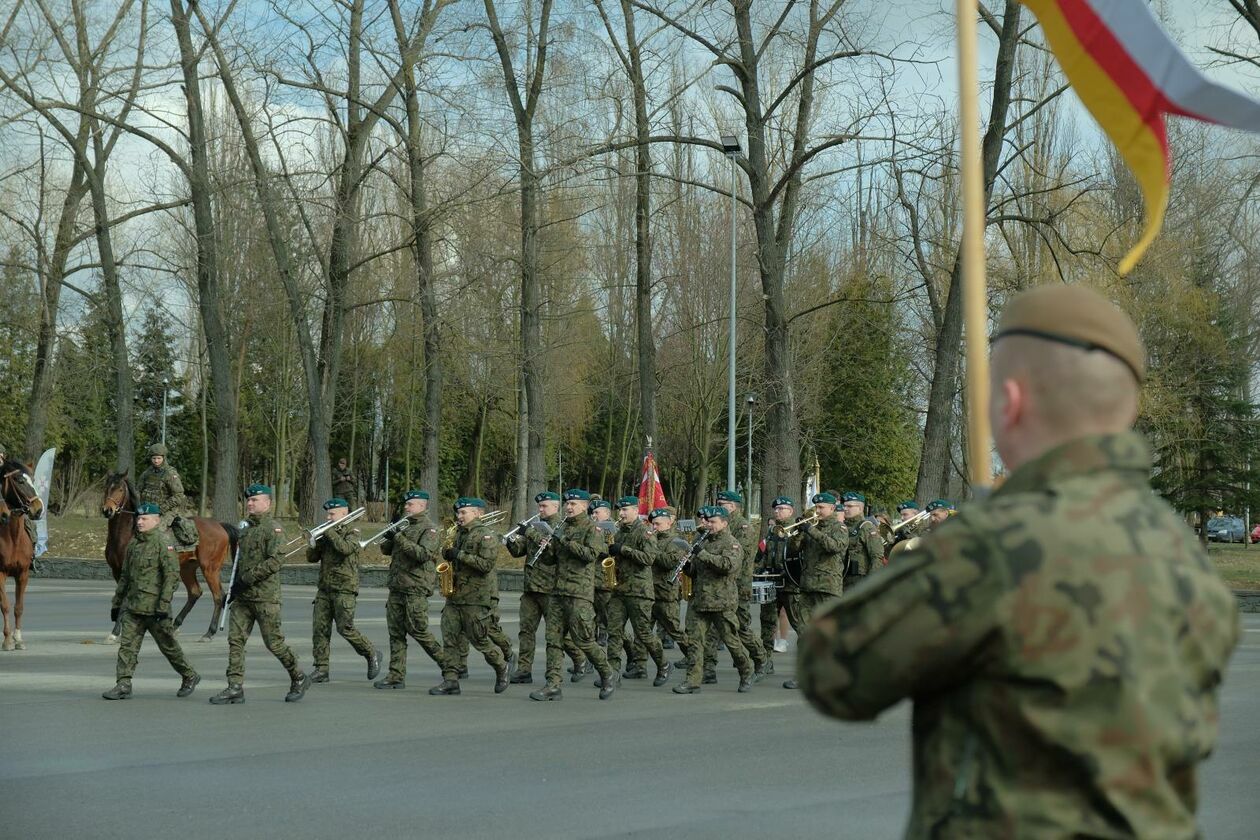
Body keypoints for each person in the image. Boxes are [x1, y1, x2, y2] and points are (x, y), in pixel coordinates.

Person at [797, 284, 1241, 836]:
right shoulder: (1180, 550)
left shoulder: (993, 546)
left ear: (1009, 402)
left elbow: (832, 673)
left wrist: (953, 547)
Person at [210, 485, 309, 704]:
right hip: (244, 597)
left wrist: (247, 579)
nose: (250, 504)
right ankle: (234, 686)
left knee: (274, 643)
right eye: (248, 500)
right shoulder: (245, 529)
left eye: (255, 500)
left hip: (265, 597)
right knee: (235, 641)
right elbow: (239, 562)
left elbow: (275, 562)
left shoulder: (274, 529)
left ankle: (298, 676)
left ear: (268, 503)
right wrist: (235, 586)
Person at [101, 502, 199, 700]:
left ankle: (190, 675)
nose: (139, 522)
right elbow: (125, 577)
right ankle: (123, 684)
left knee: (169, 646)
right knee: (127, 647)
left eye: (144, 519)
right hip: (134, 607)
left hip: (155, 609)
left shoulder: (163, 543)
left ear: (156, 520)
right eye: (138, 518)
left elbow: (171, 576)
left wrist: (163, 605)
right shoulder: (134, 545)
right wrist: (117, 603)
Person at [529, 489, 618, 701]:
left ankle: (607, 673)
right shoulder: (561, 526)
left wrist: (564, 541)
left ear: (585, 506)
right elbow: (552, 561)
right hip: (558, 591)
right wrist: (548, 547)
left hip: (579, 593)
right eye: (567, 503)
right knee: (553, 640)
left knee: (584, 640)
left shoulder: (592, 528)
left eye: (574, 504)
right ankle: (553, 685)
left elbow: (589, 555)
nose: (569, 507)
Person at [503, 491, 587, 684]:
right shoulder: (535, 525)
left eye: (545, 506)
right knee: (526, 631)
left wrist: (531, 534)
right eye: (539, 506)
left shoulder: (562, 526)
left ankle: (579, 658)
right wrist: (510, 542)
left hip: (552, 588)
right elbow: (519, 551)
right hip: (531, 588)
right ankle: (524, 669)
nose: (541, 510)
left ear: (556, 507)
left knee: (557, 633)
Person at [430, 498, 510, 696]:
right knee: (449, 639)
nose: (459, 516)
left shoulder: (486, 536)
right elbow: (450, 554)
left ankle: (501, 666)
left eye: (464, 512)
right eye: (458, 513)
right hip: (455, 596)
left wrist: (459, 555)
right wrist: (447, 553)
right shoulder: (457, 533)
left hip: (476, 598)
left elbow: (485, 565)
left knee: (479, 640)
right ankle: (450, 680)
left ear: (478, 513)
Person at [672, 506, 755, 694]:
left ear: (724, 523)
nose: (708, 525)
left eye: (713, 522)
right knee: (694, 642)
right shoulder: (703, 541)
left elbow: (727, 566)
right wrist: (687, 567)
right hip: (700, 599)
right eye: (707, 521)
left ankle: (746, 672)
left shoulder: (732, 543)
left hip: (721, 601)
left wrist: (701, 553)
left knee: (732, 641)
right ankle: (693, 680)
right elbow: (697, 571)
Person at [375, 490, 448, 689]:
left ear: (423, 506)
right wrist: (390, 535)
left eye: (411, 504)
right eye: (406, 505)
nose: (407, 507)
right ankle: (395, 676)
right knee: (396, 633)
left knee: (419, 631)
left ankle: (450, 668)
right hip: (397, 586)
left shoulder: (430, 529)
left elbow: (423, 554)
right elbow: (386, 550)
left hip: (416, 587)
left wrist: (398, 537)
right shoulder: (404, 526)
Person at [305, 498, 380, 684]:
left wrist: (329, 532)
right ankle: (321, 668)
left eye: (332, 514)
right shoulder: (327, 533)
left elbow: (345, 549)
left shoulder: (352, 530)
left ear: (344, 514)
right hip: (324, 588)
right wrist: (314, 543)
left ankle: (371, 652)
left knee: (345, 628)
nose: (328, 517)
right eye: (327, 514)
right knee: (320, 629)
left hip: (345, 588)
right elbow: (312, 558)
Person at [782, 491, 847, 690]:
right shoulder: (811, 527)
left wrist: (811, 530)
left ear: (832, 509)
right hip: (808, 585)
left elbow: (834, 547)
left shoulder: (840, 527)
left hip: (828, 587)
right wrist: (800, 532)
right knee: (804, 631)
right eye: (816, 507)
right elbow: (793, 550)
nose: (817, 511)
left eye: (821, 508)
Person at [605, 496, 671, 686]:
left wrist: (623, 550)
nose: (622, 513)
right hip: (620, 590)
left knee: (643, 633)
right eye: (620, 510)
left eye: (626, 510)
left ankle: (663, 663)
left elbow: (649, 558)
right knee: (614, 632)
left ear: (636, 511)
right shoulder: (618, 533)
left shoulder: (646, 532)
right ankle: (612, 673)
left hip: (639, 591)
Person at [707, 490, 767, 681]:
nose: (718, 506)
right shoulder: (715, 526)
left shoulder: (743, 527)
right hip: (718, 586)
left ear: (732, 507)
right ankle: (708, 669)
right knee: (713, 628)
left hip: (738, 584)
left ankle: (760, 659)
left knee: (740, 627)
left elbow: (738, 557)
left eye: (722, 503)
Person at [645, 507, 696, 680]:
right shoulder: (650, 539)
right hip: (648, 591)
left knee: (674, 630)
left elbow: (668, 562)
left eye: (658, 524)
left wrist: (650, 550)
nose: (655, 527)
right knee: (643, 631)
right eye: (653, 524)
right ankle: (638, 664)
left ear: (669, 523)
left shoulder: (676, 541)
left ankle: (693, 656)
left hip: (666, 592)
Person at [756, 496, 804, 672]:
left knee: (799, 624)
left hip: (791, 584)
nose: (777, 512)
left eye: (782, 509)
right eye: (776, 509)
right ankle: (765, 661)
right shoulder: (772, 530)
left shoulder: (798, 529)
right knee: (767, 623)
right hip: (772, 582)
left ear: (791, 511)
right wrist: (759, 570)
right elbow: (765, 554)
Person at [136, 443, 198, 550]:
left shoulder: (170, 474)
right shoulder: (146, 474)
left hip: (167, 511)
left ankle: (163, 555)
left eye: (159, 458)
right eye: (154, 458)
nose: (156, 461)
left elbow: (179, 495)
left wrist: (161, 509)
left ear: (164, 458)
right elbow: (138, 490)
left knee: (156, 531)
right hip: (148, 510)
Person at [0, 444, 41, 552]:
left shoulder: (9, 469)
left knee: (29, 523)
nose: (0, 457)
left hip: (12, 507)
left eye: (1, 454)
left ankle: (33, 555)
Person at [840, 491, 884, 582]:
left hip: (858, 579)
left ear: (860, 508)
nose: (845, 509)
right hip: (842, 577)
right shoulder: (841, 526)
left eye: (850, 506)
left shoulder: (866, 527)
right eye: (844, 506)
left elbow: (877, 557)